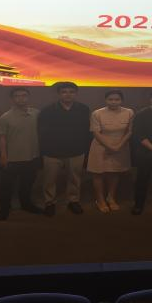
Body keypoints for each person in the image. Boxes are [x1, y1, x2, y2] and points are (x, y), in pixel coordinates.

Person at [38, 81, 91, 216]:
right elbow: (42, 133)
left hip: (76, 151)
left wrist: (84, 148)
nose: (68, 94)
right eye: (64, 92)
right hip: (52, 152)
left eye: (71, 92)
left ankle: (73, 200)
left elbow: (86, 131)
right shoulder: (47, 110)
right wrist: (45, 150)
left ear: (76, 94)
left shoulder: (84, 109)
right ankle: (49, 202)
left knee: (75, 178)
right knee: (49, 180)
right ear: (59, 94)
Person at [0, 87, 40, 219]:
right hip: (12, 158)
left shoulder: (36, 113)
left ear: (28, 97)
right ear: (12, 99)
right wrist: (3, 156)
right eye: (17, 96)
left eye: (24, 95)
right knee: (6, 186)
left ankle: (26, 204)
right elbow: (1, 138)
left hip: (32, 156)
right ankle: (4, 209)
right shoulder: (5, 117)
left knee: (27, 184)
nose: (21, 98)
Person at [87, 90, 134, 213]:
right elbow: (96, 132)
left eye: (117, 99)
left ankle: (111, 197)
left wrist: (118, 146)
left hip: (121, 146)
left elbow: (130, 131)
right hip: (100, 147)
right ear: (106, 100)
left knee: (114, 173)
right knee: (98, 174)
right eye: (110, 99)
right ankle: (100, 200)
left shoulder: (129, 112)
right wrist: (110, 147)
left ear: (121, 100)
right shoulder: (97, 113)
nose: (114, 102)